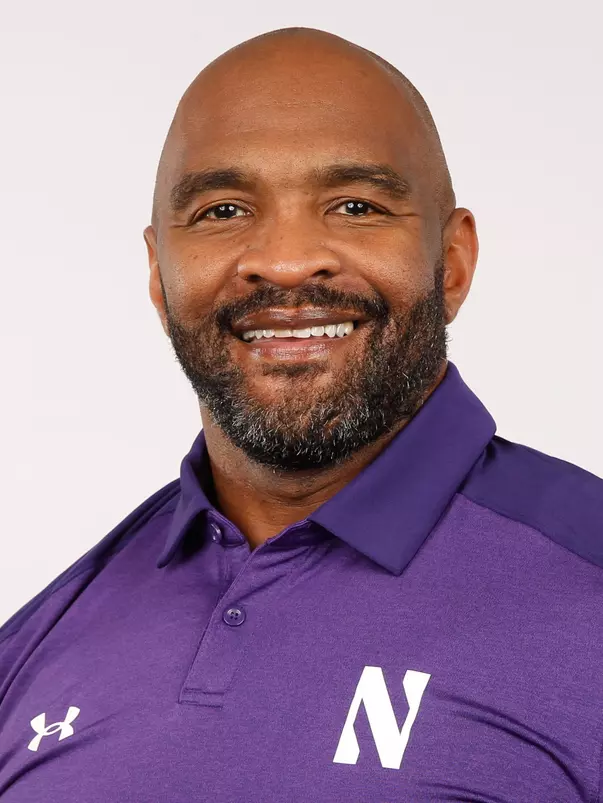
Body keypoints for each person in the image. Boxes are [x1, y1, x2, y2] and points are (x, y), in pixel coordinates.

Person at [0, 26, 601, 803]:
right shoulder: (39, 645)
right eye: (221, 210)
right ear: (158, 273)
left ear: (450, 263)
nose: (284, 260)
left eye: (355, 205)